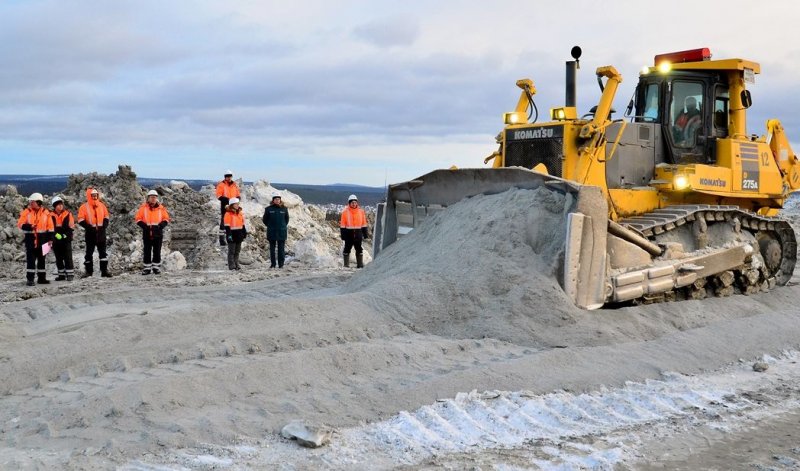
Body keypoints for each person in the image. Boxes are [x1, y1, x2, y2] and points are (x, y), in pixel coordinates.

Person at [17, 193, 54, 286]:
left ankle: (42, 279)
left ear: (38, 202)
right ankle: (30, 279)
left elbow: (51, 228)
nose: (30, 203)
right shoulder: (26, 212)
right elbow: (20, 224)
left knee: (42, 260)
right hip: (30, 240)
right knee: (31, 261)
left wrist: (51, 239)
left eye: (32, 202)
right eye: (30, 201)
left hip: (44, 240)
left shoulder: (46, 213)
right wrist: (30, 226)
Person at [77, 187, 112, 278]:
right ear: (89, 196)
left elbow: (106, 217)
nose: (95, 197)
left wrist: (104, 225)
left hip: (101, 233)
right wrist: (88, 227)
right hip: (90, 234)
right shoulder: (83, 207)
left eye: (96, 195)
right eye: (93, 195)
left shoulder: (102, 205)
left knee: (103, 253)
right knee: (89, 254)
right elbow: (80, 219)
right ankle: (89, 272)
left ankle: (104, 271)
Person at [135, 190, 170, 275]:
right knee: (147, 251)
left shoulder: (161, 208)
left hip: (157, 233)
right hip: (147, 233)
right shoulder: (143, 208)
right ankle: (147, 268)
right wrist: (144, 226)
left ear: (157, 198)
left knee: (157, 251)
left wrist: (161, 226)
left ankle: (156, 268)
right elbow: (138, 218)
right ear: (148, 198)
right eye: (151, 197)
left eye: (155, 197)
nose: (153, 199)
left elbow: (166, 219)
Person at [50, 195, 76, 281]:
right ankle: (61, 275)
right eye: (58, 204)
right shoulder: (50, 215)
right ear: (54, 206)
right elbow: (50, 227)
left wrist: (63, 236)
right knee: (59, 258)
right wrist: (56, 235)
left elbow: (71, 228)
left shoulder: (68, 214)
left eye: (61, 204)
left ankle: (70, 274)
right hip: (56, 240)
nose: (60, 206)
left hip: (66, 239)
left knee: (68, 257)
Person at [339, 194, 369, 268]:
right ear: (349, 203)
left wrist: (365, 234)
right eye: (352, 202)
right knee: (347, 249)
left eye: (355, 202)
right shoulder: (345, 212)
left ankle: (360, 265)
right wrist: (343, 235)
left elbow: (364, 223)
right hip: (349, 234)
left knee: (359, 249)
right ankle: (346, 265)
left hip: (358, 233)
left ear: (357, 203)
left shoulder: (361, 212)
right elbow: (342, 225)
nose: (354, 204)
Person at [262, 192, 289, 268]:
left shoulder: (284, 209)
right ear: (273, 200)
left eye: (278, 199)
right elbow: (265, 220)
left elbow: (286, 220)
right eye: (276, 199)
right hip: (272, 231)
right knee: (272, 249)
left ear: (280, 200)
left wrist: (282, 226)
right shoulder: (268, 209)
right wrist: (270, 226)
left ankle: (281, 264)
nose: (277, 200)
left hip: (281, 231)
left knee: (281, 249)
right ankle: (273, 264)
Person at [215, 170, 240, 246]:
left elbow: (237, 193)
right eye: (227, 176)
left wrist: (238, 198)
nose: (229, 178)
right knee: (224, 222)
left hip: (234, 205)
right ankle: (222, 239)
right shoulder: (221, 185)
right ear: (225, 177)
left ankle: (231, 237)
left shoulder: (234, 184)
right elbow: (218, 195)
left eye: (230, 176)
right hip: (225, 205)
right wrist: (227, 200)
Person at [223, 197, 247, 270]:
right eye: (235, 204)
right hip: (232, 234)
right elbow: (227, 226)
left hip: (239, 234)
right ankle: (231, 266)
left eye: (238, 204)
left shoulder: (240, 213)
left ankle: (237, 264)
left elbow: (242, 224)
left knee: (237, 251)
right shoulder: (228, 214)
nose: (237, 205)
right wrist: (229, 235)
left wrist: (244, 232)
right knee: (232, 251)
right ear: (231, 205)